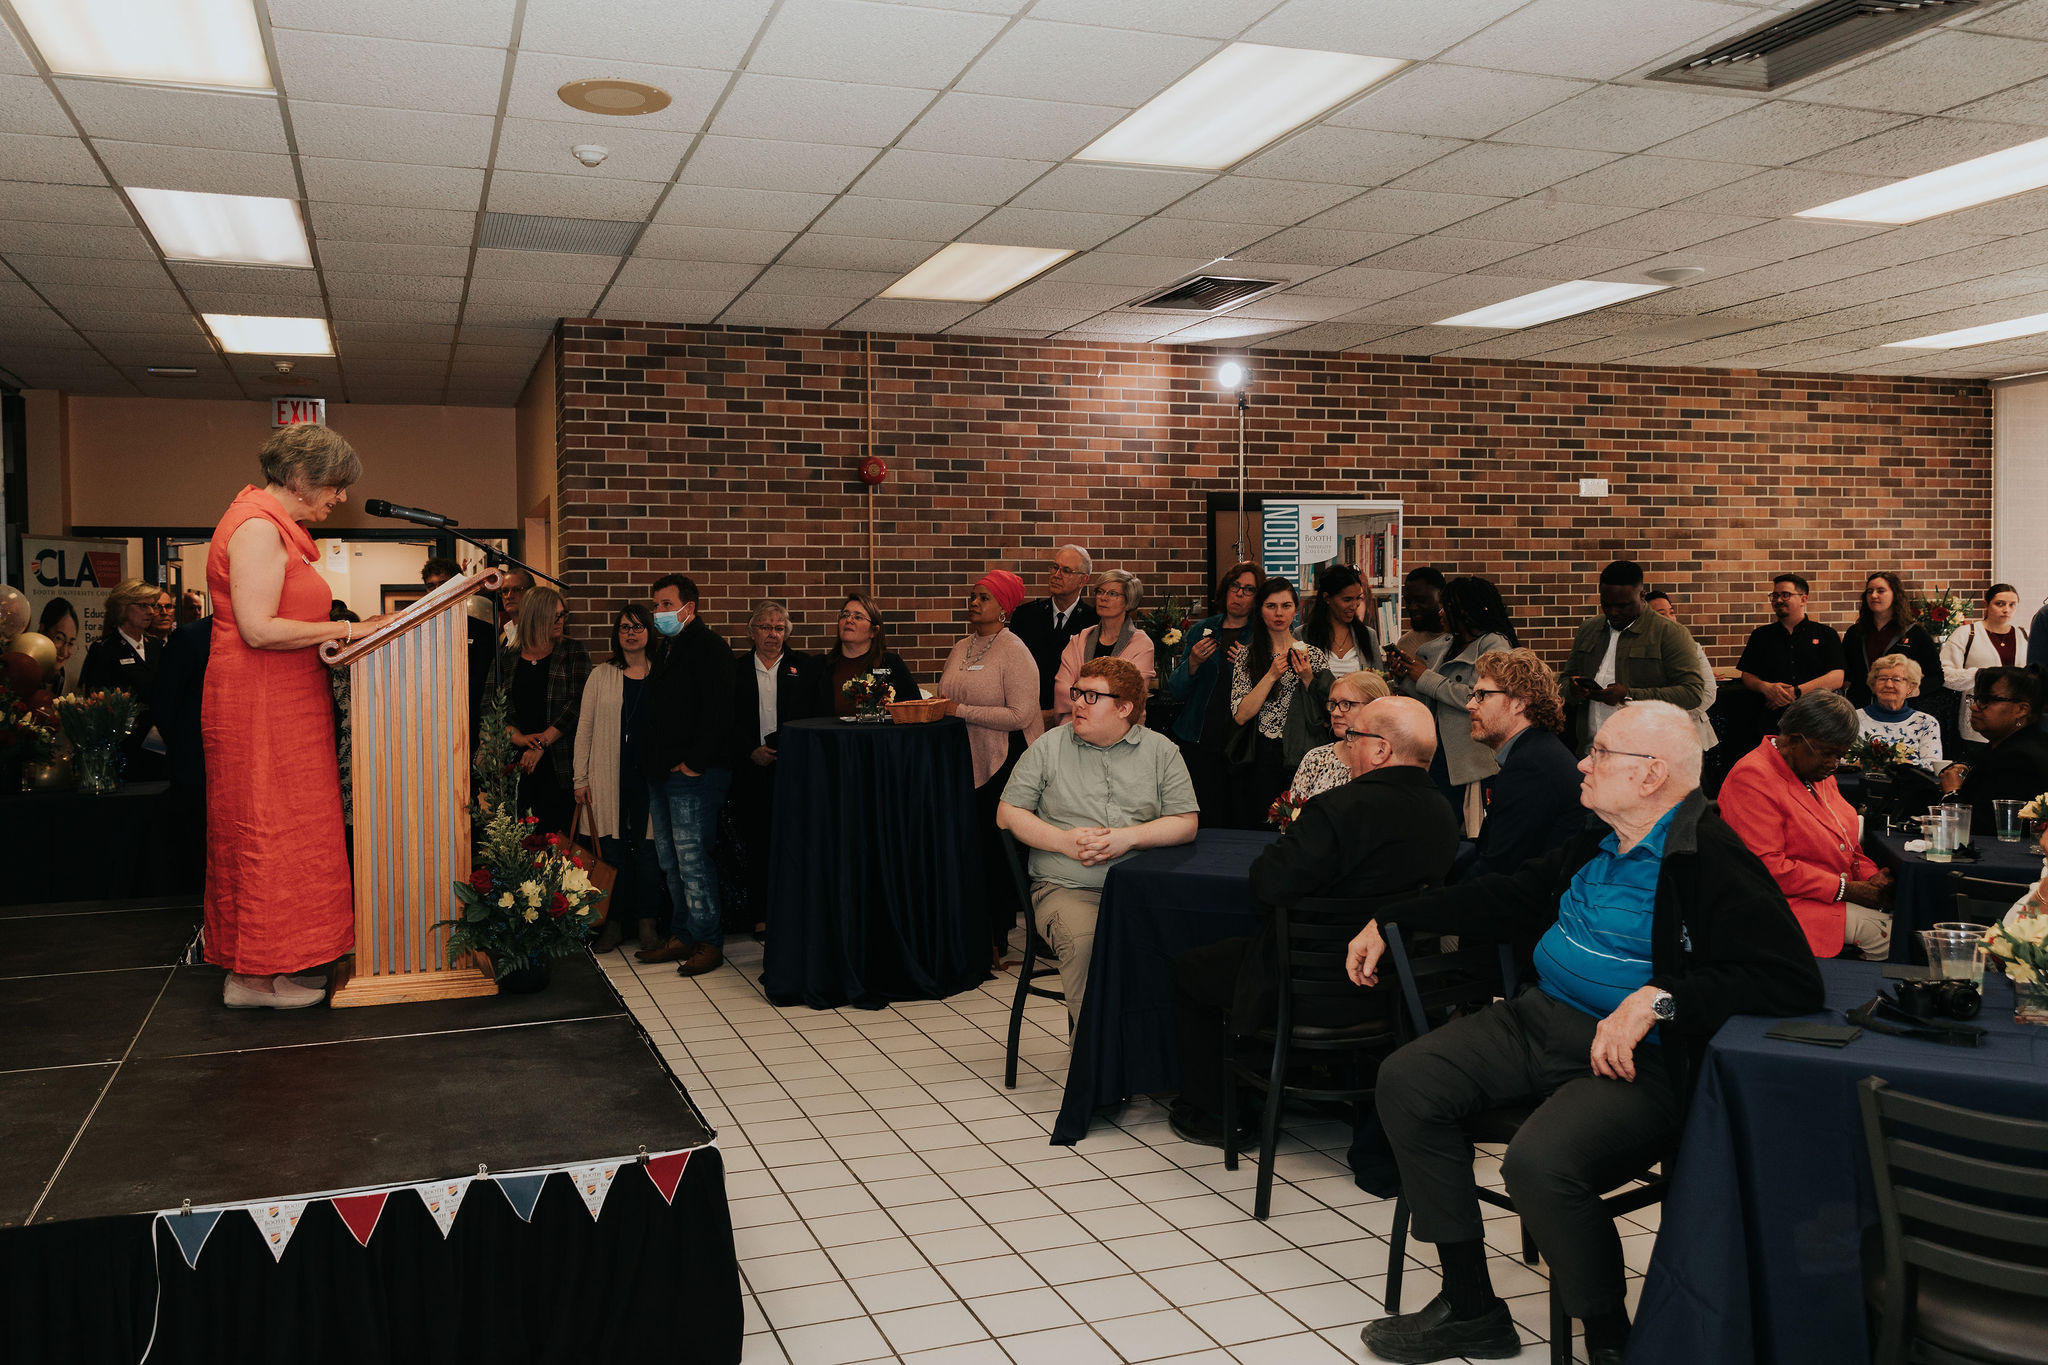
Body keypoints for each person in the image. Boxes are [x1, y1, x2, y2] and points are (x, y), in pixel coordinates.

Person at [1346, 702, 1823, 1365]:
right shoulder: (1596, 838)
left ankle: (1609, 1340)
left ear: (1651, 774)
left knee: (1538, 1164)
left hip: (1640, 1061)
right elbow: (1510, 894)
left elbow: (1790, 979)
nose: (1581, 762)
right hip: (1538, 1018)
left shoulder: (1707, 855)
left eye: (1599, 752)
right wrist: (1392, 916)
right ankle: (1471, 1306)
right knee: (1407, 1078)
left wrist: (1659, 999)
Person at [1167, 696, 1458, 1146]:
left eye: (1353, 736)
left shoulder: (1338, 807)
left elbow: (1267, 886)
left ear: (1381, 749)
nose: (1347, 743)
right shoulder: (1443, 814)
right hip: (1395, 985)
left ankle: (1219, 1112)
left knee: (1190, 968)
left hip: (1310, 984)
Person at [202, 425, 390, 1010]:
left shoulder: (276, 526)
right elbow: (258, 629)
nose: (339, 498)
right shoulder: (258, 528)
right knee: (266, 835)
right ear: (303, 478)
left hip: (282, 701)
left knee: (288, 839)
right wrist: (349, 628)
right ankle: (252, 979)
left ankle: (272, 968)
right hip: (259, 705)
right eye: (335, 487)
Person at [998, 657, 1197, 1027]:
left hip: (1144, 890)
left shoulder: (1161, 752)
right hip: (1068, 888)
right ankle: (1097, 1067)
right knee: (1086, 943)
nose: (1078, 703)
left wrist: (1129, 838)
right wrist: (1063, 842)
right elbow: (1007, 814)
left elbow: (1186, 823)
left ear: (1125, 708)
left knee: (1188, 944)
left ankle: (1160, 1065)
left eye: (1092, 696)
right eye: (1078, 693)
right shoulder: (1049, 746)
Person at [1719, 692, 1894, 959]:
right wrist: (1845, 889)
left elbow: (1846, 842)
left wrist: (1870, 877)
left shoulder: (1813, 770)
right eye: (1828, 755)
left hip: (1821, 895)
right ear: (1795, 741)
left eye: (1840, 756)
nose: (1833, 765)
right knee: (1890, 935)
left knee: (1909, 917)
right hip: (1775, 904)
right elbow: (1765, 867)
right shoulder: (1752, 777)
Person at [936, 570, 1043, 957]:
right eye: (972, 596)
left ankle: (997, 936)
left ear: (1004, 607)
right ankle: (973, 930)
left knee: (996, 851)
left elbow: (1021, 714)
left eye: (983, 597)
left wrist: (958, 710)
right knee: (972, 848)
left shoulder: (1014, 650)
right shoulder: (962, 646)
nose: (974, 603)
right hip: (966, 760)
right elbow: (947, 696)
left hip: (1004, 760)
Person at [639, 574, 736, 975]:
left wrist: (694, 761)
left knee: (693, 859)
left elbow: (720, 712)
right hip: (663, 772)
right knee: (670, 859)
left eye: (665, 605)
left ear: (688, 608)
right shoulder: (668, 647)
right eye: (656, 605)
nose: (657, 613)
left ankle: (708, 942)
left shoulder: (709, 647)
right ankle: (683, 933)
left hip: (694, 773)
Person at [574, 604, 668, 956]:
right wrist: (579, 779)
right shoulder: (601, 675)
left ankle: (647, 923)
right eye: (625, 627)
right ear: (617, 634)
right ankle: (611, 925)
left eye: (638, 627)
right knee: (611, 854)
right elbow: (584, 729)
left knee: (647, 852)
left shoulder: (663, 674)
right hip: (607, 778)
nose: (631, 633)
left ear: (649, 633)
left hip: (651, 780)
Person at [1388, 575, 1518, 822]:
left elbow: (1483, 698)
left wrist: (1424, 676)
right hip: (1439, 753)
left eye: (1445, 608)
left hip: (1472, 758)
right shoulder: (1448, 644)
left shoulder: (1494, 645)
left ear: (1463, 612)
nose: (1440, 614)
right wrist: (1405, 676)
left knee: (1470, 828)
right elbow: (1436, 696)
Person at [1456, 648, 1584, 883]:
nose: (1470, 706)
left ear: (1519, 703)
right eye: (1473, 695)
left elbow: (1499, 869)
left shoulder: (1530, 766)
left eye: (1482, 695)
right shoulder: (1536, 751)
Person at [1559, 560, 1711, 757]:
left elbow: (1691, 693)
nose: (1613, 612)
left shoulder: (1670, 632)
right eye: (1607, 604)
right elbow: (1563, 682)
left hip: (1648, 756)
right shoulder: (1589, 629)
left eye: (1623, 606)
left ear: (1642, 596)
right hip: (1591, 754)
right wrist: (1572, 689)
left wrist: (1629, 695)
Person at [725, 598, 811, 941]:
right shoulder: (735, 670)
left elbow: (811, 715)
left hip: (794, 770)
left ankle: (793, 912)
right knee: (758, 844)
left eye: (779, 628)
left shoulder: (804, 667)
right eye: (765, 627)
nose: (773, 634)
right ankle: (760, 915)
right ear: (752, 632)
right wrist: (751, 751)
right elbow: (727, 721)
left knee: (792, 842)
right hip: (752, 768)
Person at [483, 585, 590, 836]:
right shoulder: (507, 656)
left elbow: (578, 704)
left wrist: (541, 743)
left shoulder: (573, 651)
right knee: (520, 840)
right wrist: (520, 739)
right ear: (536, 616)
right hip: (516, 765)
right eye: (556, 615)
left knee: (560, 841)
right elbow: (490, 707)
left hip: (560, 762)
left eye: (563, 615)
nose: (561, 620)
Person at [1229, 577, 1331, 827]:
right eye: (1271, 605)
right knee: (1262, 824)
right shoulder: (1247, 656)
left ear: (1296, 610)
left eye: (1286, 606)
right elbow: (1240, 715)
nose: (1279, 613)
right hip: (1263, 753)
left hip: (1303, 750)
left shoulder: (1313, 654)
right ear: (1260, 610)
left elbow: (1331, 709)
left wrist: (1307, 678)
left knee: (1303, 824)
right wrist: (1272, 674)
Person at [1165, 561, 1260, 825]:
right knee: (1204, 818)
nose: (1239, 594)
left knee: (1241, 819)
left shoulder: (1260, 634)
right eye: (1235, 586)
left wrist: (1246, 667)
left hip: (1243, 743)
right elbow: (1176, 689)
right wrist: (1193, 663)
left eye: (1249, 590)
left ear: (1257, 597)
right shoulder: (1202, 629)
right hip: (1200, 739)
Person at [76, 578, 169, 779]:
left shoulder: (155, 646)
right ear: (123, 608)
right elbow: (97, 702)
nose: (151, 612)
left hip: (160, 743)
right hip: (125, 748)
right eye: (143, 605)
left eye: (151, 606)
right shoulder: (104, 650)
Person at [1736, 573, 1846, 734]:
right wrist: (1766, 687)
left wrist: (1796, 692)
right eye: (1775, 595)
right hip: (1770, 719)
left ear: (1803, 599)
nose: (1778, 600)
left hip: (1817, 718)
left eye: (1785, 595)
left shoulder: (1826, 634)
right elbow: (1747, 675)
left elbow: (1837, 677)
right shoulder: (1760, 635)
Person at [1941, 667, 2048, 829]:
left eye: (1987, 700)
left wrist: (1952, 793)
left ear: (2021, 709)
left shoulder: (2021, 758)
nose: (1974, 707)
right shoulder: (2003, 746)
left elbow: (1987, 825)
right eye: (1975, 698)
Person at [1052, 569, 1156, 725]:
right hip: (1075, 727)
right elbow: (1061, 691)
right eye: (1100, 592)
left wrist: (1081, 692)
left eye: (1112, 594)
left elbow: (1131, 698)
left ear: (1128, 602)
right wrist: (1104, 699)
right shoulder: (1080, 639)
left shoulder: (1142, 644)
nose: (1103, 598)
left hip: (1121, 734)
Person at [1010, 544, 1099, 727]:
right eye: (1055, 567)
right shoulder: (1025, 616)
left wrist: (1057, 713)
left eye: (1066, 570)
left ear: (1083, 580)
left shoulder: (1095, 622)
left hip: (1073, 717)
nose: (1056, 575)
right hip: (1026, 716)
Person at [1941, 584, 2029, 752]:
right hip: (1979, 718)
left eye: (2012, 605)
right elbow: (1944, 675)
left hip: (2017, 723)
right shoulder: (1966, 633)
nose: (2006, 609)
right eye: (2000, 604)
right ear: (1986, 604)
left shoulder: (2024, 635)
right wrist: (1981, 675)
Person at [1287, 670, 1392, 805]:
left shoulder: (1390, 764)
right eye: (1333, 704)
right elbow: (1292, 818)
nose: (1335, 713)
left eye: (1346, 704)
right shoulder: (1316, 758)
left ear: (1374, 707)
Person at [1841, 571, 1942, 711]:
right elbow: (1845, 673)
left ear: (1895, 595)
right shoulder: (1855, 633)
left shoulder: (1915, 633)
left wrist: (1910, 691)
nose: (1874, 595)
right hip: (1860, 709)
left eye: (1880, 591)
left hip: (1900, 712)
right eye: (1870, 591)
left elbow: (1936, 677)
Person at [807, 592, 919, 717]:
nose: (849, 620)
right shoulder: (819, 666)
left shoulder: (891, 664)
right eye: (845, 615)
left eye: (858, 617)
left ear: (874, 631)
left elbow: (915, 709)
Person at [423, 554, 495, 715]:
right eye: (431, 586)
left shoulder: (482, 630)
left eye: (443, 584)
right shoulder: (419, 632)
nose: (437, 591)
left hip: (472, 714)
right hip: (429, 713)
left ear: (458, 586)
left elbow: (484, 680)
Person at [1855, 656, 1945, 771]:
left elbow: (1932, 765)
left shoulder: (1926, 723)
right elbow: (1845, 760)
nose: (1888, 685)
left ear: (1910, 687)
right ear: (1873, 684)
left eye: (1896, 679)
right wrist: (1901, 763)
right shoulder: (1854, 718)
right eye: (1882, 679)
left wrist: (1885, 763)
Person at [1302, 563, 1382, 678]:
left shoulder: (1368, 635)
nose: (1354, 606)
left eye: (1358, 598)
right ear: (1327, 598)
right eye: (1347, 600)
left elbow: (1379, 683)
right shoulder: (1304, 635)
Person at [1394, 566, 1449, 659]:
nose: (1413, 607)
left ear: (1441, 597)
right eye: (1408, 601)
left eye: (1421, 600)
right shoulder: (1405, 645)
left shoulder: (1463, 642)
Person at [35, 597, 77, 693]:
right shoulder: (21, 676)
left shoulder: (72, 686)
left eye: (70, 643)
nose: (64, 652)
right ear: (42, 630)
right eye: (59, 638)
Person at [496, 568, 534, 648]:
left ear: (531, 592)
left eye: (516, 590)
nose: (509, 596)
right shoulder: (504, 636)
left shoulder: (540, 632)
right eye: (505, 591)